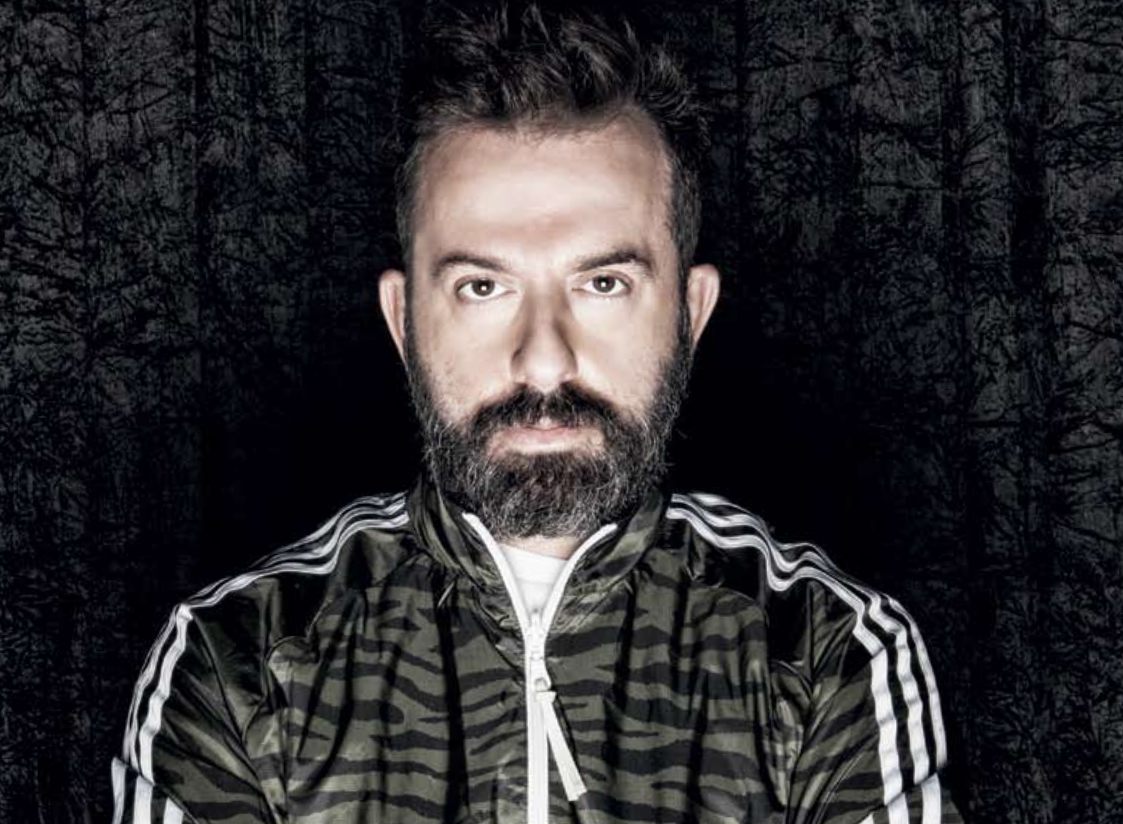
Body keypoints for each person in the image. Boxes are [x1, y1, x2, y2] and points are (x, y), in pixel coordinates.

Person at [112, 4, 961, 823]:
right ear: (403, 321)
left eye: (603, 283)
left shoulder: (823, 647)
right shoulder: (236, 660)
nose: (544, 359)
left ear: (690, 313)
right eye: (483, 287)